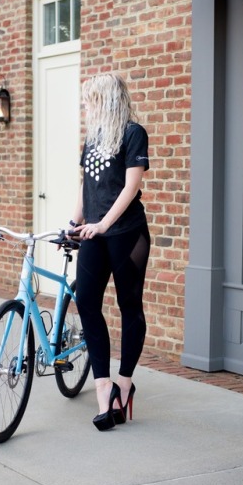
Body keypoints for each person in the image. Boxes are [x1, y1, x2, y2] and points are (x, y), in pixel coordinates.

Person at [68, 73, 151, 431]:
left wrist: (103, 224)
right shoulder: (92, 140)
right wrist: (73, 223)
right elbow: (85, 186)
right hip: (94, 234)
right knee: (85, 299)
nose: (86, 106)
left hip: (127, 233)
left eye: (90, 100)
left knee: (129, 306)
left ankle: (125, 382)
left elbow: (131, 187)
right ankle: (103, 387)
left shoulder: (133, 133)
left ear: (107, 100)